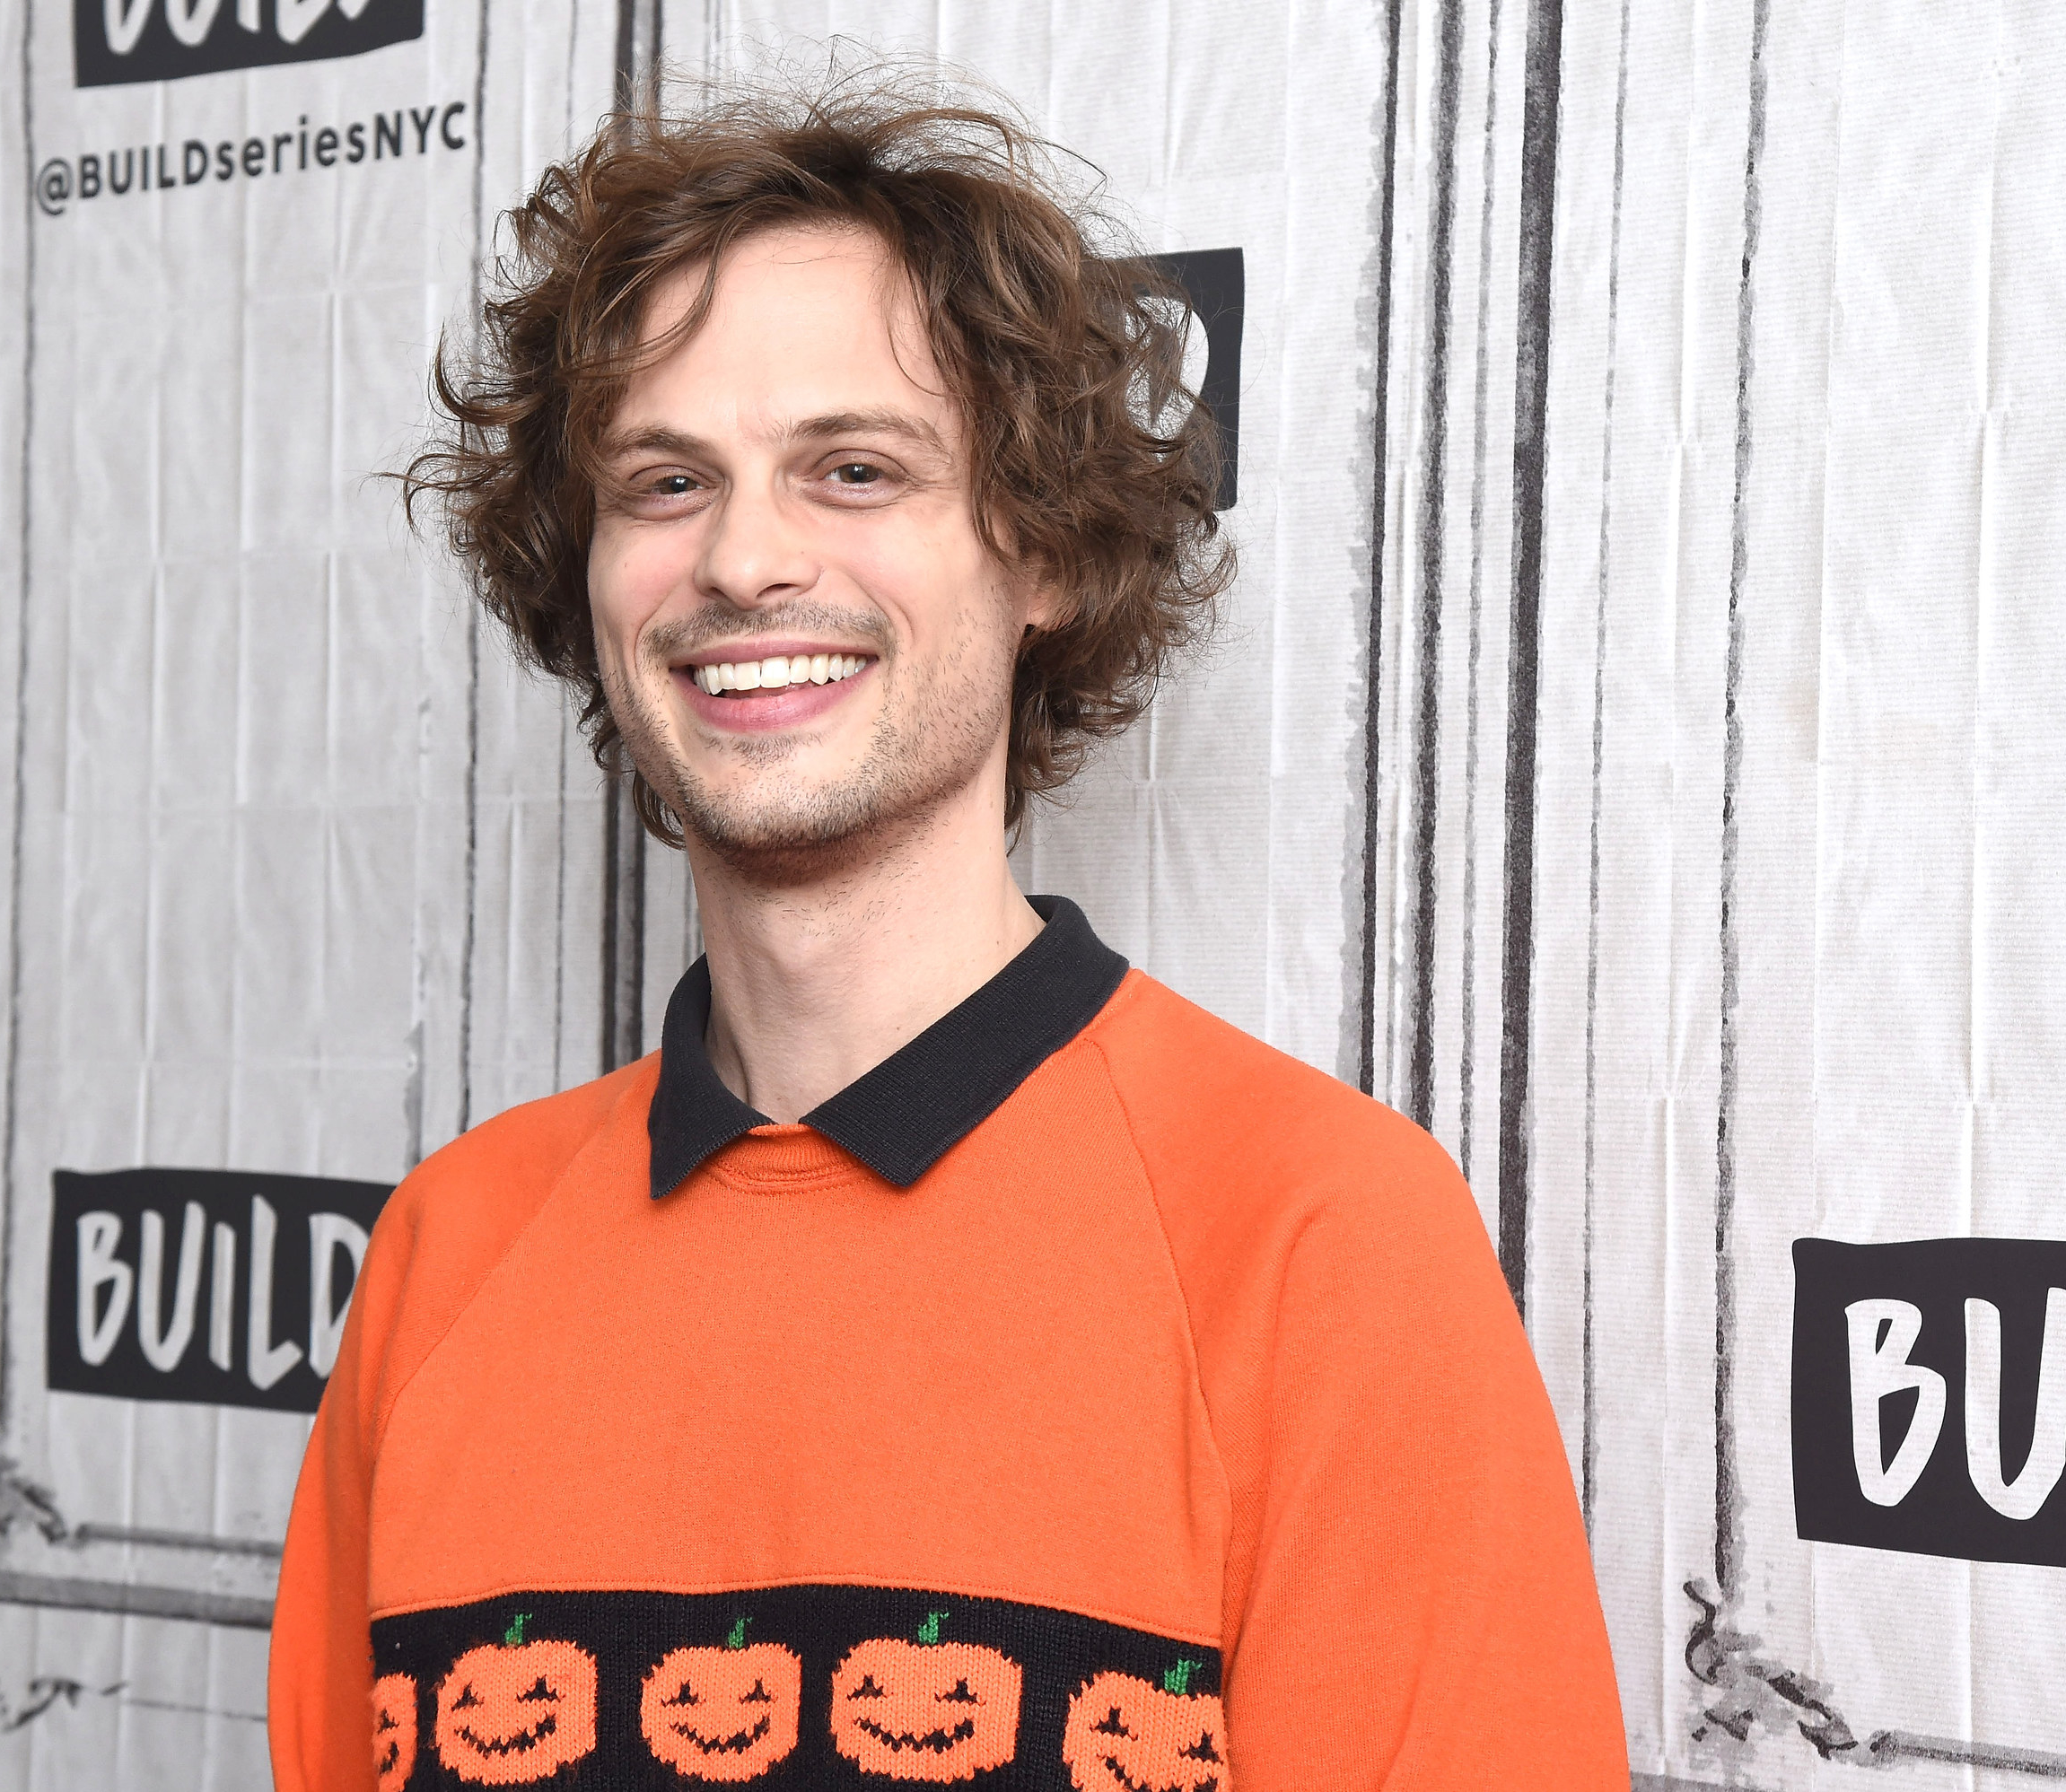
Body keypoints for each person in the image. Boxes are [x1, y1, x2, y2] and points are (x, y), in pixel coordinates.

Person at [269, 77, 1625, 1792]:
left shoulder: (1321, 1247)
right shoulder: (444, 1257)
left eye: (854, 468)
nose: (746, 558)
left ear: (1040, 552)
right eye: (667, 479)